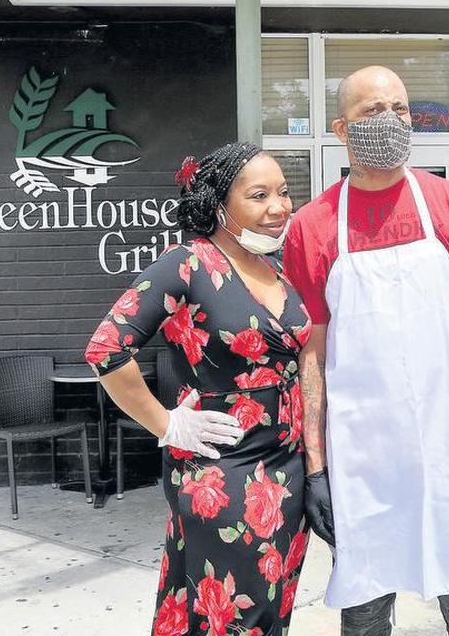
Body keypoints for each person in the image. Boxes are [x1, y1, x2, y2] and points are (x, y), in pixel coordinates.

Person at [282, 66, 449, 635]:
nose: (391, 121)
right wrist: (317, 469)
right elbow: (310, 355)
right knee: (364, 613)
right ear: (342, 128)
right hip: (361, 455)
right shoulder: (311, 228)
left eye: (401, 109)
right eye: (372, 112)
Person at [85, 143, 312, 636]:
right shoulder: (187, 263)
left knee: (269, 609)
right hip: (225, 473)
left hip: (288, 469)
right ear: (218, 204)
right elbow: (106, 350)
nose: (279, 206)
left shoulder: (274, 267)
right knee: (232, 615)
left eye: (284, 192)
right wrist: (166, 423)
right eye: (258, 195)